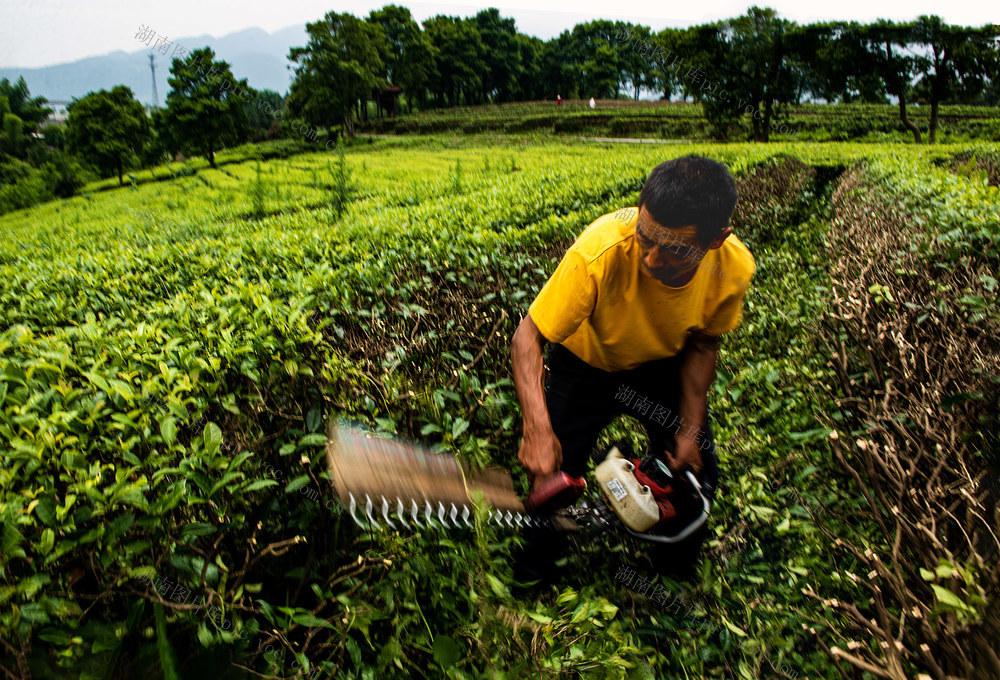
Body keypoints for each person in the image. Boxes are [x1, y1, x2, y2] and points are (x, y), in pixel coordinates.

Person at [510, 154, 754, 586]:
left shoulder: (731, 268)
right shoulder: (598, 252)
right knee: (551, 479)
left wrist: (691, 423)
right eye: (645, 238)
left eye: (674, 250)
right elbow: (527, 338)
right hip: (584, 366)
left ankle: (674, 575)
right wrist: (536, 426)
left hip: (660, 365)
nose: (652, 259)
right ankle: (533, 579)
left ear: (716, 239)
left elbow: (703, 343)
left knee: (693, 473)